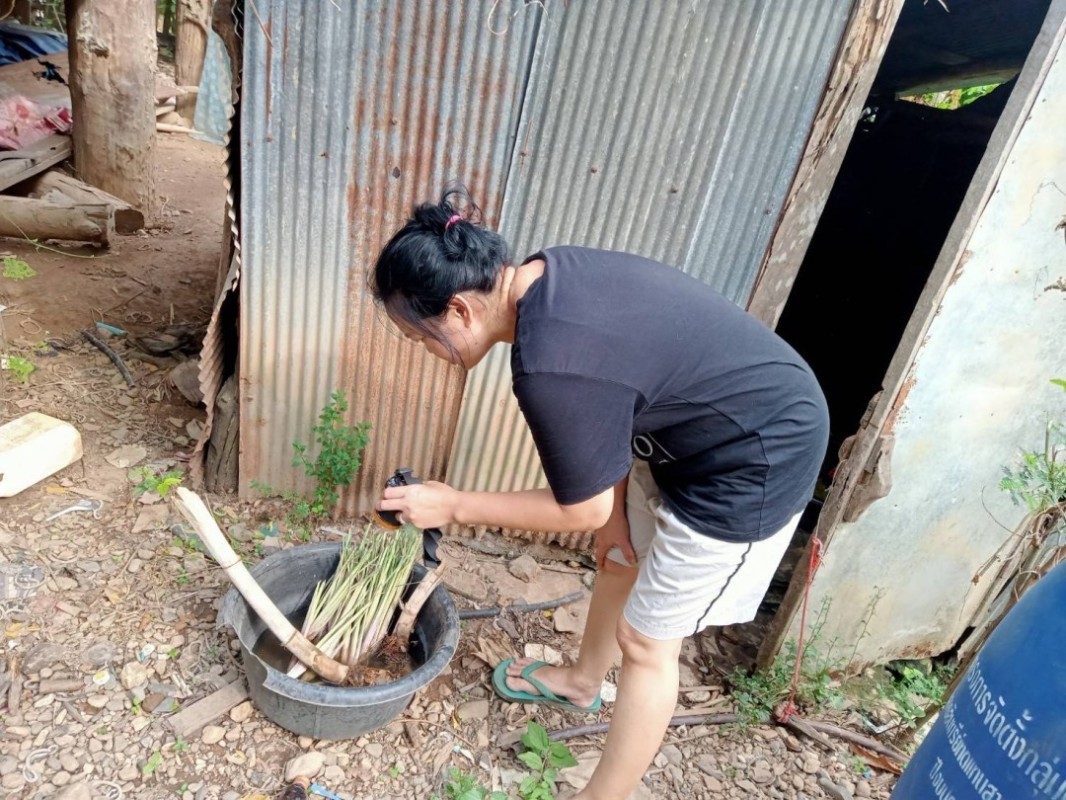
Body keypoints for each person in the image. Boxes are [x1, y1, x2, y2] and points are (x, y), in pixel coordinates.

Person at [373, 187, 829, 800]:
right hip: (687, 429)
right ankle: (582, 681)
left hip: (756, 455)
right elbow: (610, 401)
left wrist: (452, 504)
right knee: (616, 557)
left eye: (422, 337)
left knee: (646, 643)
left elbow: (579, 501)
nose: (428, 353)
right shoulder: (546, 274)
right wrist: (611, 524)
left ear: (459, 311)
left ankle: (604, 795)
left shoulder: (549, 367)